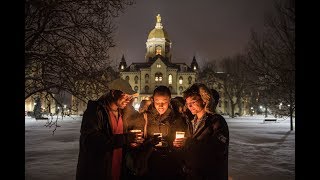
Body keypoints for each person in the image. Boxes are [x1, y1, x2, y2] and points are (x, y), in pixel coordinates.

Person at [76, 78, 140, 180]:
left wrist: (131, 142)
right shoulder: (95, 111)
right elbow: (91, 141)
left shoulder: (122, 113)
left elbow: (120, 141)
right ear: (114, 93)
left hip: (117, 171)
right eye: (125, 96)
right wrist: (125, 138)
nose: (128, 100)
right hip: (98, 173)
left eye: (130, 97)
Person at [126, 86, 188, 179]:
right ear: (153, 100)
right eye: (157, 102)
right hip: (149, 164)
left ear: (169, 100)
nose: (161, 105)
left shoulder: (177, 118)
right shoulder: (144, 117)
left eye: (164, 102)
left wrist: (182, 143)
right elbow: (135, 139)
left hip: (171, 164)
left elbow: (185, 139)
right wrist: (139, 143)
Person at [173, 83, 229, 180]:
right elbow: (189, 150)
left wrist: (188, 143)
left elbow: (218, 149)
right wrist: (180, 146)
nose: (190, 106)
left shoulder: (216, 121)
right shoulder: (191, 122)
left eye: (193, 102)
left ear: (204, 100)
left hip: (210, 175)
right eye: (187, 103)